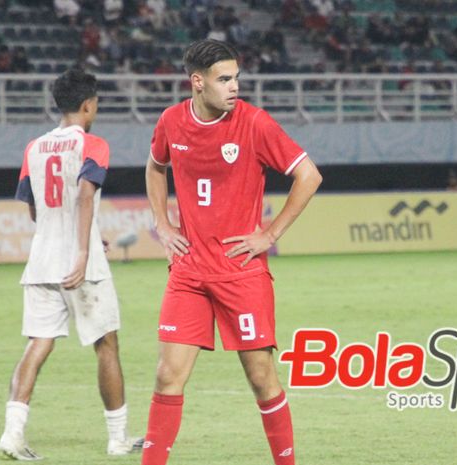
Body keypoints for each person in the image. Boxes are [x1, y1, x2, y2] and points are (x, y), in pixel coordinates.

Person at [142, 39, 322, 465]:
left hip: (241, 273)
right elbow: (154, 167)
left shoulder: (255, 123)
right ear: (197, 83)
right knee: (168, 376)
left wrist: (269, 234)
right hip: (189, 272)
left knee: (261, 379)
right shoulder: (170, 121)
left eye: (237, 78)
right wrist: (163, 223)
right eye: (225, 79)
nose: (234, 87)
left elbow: (309, 176)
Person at [0, 68, 142, 461]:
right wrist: (83, 250)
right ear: (87, 105)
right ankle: (117, 439)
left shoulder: (34, 147)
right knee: (107, 345)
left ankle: (12, 434)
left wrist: (85, 236)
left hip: (42, 259)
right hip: (82, 264)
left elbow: (34, 209)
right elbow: (82, 197)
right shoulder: (93, 143)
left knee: (37, 344)